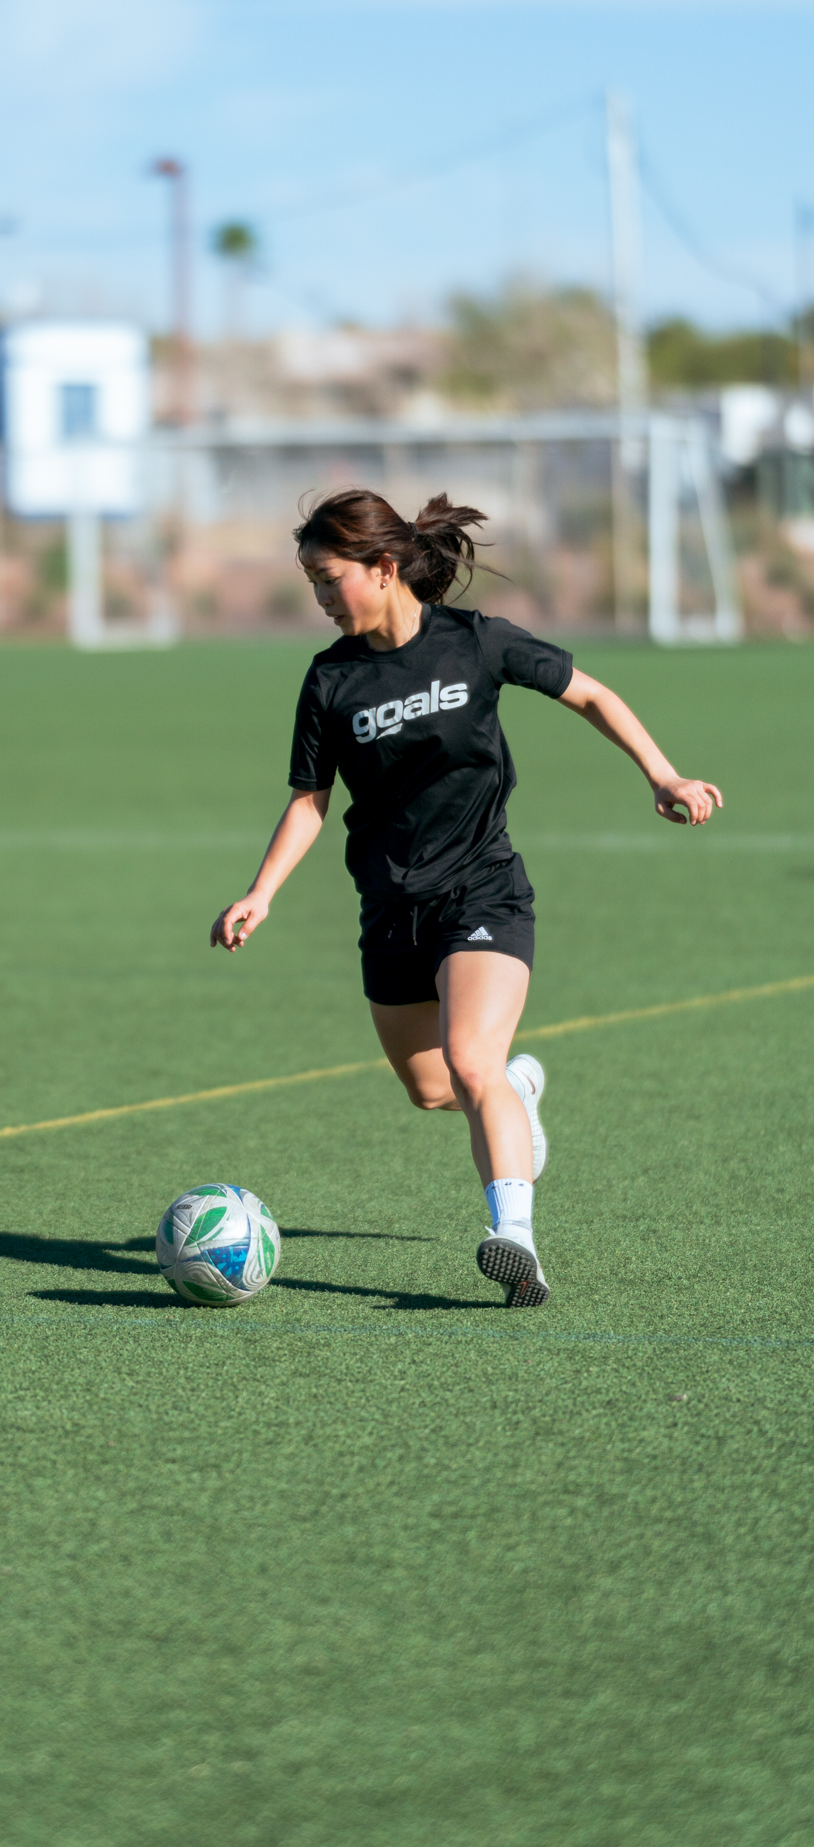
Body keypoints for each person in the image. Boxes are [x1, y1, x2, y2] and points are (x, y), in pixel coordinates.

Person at [209, 489, 722, 1307]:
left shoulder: (476, 643)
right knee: (433, 1088)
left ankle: (513, 1241)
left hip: (481, 888)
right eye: (308, 582)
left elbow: (589, 693)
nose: (317, 597)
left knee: (470, 1059)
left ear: (382, 567)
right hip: (388, 907)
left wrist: (662, 774)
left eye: (326, 577)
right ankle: (519, 1095)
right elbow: (310, 798)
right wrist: (260, 892)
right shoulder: (329, 679)